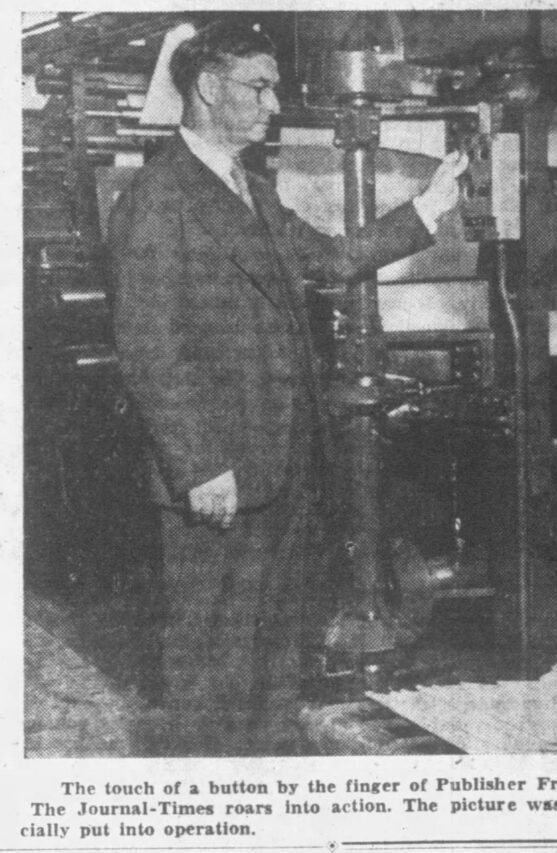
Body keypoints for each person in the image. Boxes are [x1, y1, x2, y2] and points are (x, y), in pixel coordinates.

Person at [108, 19, 467, 756]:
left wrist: (426, 209)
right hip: (221, 474)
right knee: (213, 656)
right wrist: (200, 463)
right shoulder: (156, 197)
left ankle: (266, 788)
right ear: (209, 88)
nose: (274, 104)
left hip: (281, 466)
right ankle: (208, 803)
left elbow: (332, 260)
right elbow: (151, 347)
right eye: (259, 86)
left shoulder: (254, 192)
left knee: (271, 652)